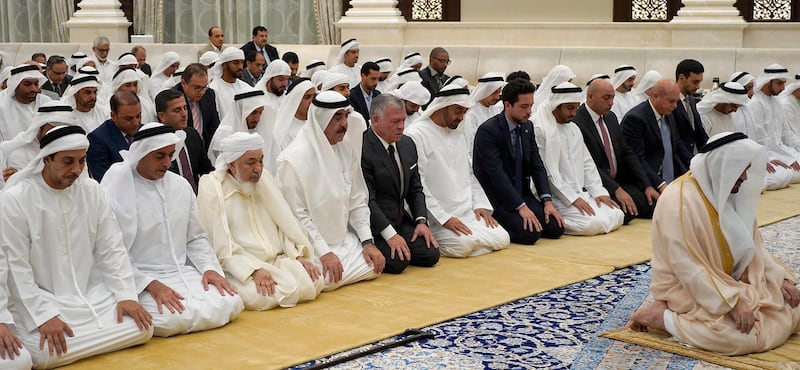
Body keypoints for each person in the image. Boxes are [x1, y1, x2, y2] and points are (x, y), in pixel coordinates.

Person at [630, 132, 800, 356]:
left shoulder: (731, 191)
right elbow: (687, 267)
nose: (746, 177)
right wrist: (731, 302)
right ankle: (662, 317)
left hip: (729, 281)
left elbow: (753, 248)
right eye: (742, 169)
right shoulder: (679, 201)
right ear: (724, 165)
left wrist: (781, 279)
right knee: (740, 338)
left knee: (795, 306)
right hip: (688, 288)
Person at [2, 126, 153, 368]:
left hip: (90, 294)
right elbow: (15, 266)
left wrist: (126, 295)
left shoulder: (92, 191)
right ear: (47, 159)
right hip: (44, 299)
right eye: (68, 161)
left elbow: (112, 248)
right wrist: (43, 316)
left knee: (142, 328)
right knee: (44, 353)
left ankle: (81, 338)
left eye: (82, 161)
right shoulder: (16, 199)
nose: (76, 169)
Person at [101, 122, 244, 337]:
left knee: (231, 301)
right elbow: (113, 252)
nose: (167, 162)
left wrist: (209, 268)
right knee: (169, 319)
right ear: (141, 154)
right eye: (159, 156)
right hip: (141, 277)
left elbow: (195, 237)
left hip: (182, 271)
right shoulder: (118, 190)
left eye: (170, 155)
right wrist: (150, 284)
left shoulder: (180, 185)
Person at [197, 132, 323, 310]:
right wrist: (253, 270)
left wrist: (297, 256)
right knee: (258, 296)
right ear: (232, 165)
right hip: (244, 268)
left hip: (278, 261)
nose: (258, 168)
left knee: (315, 279)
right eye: (251, 162)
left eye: (261, 161)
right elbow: (220, 247)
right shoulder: (213, 188)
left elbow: (284, 224)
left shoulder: (265, 180)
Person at [276, 91, 384, 291]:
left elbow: (358, 201)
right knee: (316, 280)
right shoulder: (293, 160)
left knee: (374, 267)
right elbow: (298, 216)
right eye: (337, 117)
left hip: (344, 243)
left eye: (346, 116)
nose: (344, 123)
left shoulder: (345, 149)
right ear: (320, 119)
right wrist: (324, 253)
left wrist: (368, 242)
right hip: (311, 247)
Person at [405, 85, 510, 257]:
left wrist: (480, 205)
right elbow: (418, 184)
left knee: (503, 238)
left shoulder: (458, 131)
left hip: (466, 212)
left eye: (464, 112)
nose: (461, 118)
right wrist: (444, 218)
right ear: (442, 107)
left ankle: (475, 240)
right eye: (458, 111)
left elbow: (469, 174)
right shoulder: (417, 134)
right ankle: (473, 241)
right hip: (437, 217)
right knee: (463, 246)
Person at [473, 78, 565, 244]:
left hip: (522, 193)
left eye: (531, 105)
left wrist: (547, 201)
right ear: (508, 105)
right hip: (499, 199)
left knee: (555, 227)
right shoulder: (488, 131)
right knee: (530, 235)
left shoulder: (527, 127)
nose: (529, 111)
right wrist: (520, 207)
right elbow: (496, 175)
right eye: (524, 106)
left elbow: (537, 166)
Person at [533, 82, 625, 235]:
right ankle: (557, 221)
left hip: (580, 192)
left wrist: (599, 192)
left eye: (576, 107)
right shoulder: (541, 130)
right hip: (557, 195)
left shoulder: (574, 128)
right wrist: (572, 199)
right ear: (556, 105)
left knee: (616, 214)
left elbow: (587, 164)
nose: (574, 113)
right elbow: (548, 173)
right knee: (592, 224)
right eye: (570, 108)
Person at [361, 94, 440, 273]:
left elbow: (416, 188)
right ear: (376, 120)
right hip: (375, 225)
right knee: (398, 262)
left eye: (403, 120)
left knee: (430, 254)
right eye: (395, 121)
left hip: (400, 218)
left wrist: (421, 221)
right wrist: (390, 234)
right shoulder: (362, 147)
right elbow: (367, 200)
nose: (402, 127)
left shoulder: (407, 143)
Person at [573, 78, 659, 222]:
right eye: (606, 98)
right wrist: (616, 190)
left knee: (654, 204)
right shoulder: (577, 122)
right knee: (626, 213)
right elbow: (589, 166)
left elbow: (627, 153)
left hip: (619, 180)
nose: (611, 102)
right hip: (597, 185)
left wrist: (647, 185)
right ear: (590, 97)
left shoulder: (610, 117)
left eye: (613, 97)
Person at [622, 79, 689, 193]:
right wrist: (660, 184)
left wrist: (692, 169)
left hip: (672, 179)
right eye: (671, 101)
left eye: (676, 101)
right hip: (647, 183)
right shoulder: (635, 119)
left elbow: (677, 147)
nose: (675, 106)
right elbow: (637, 160)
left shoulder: (668, 114)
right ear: (655, 96)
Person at [0, 101, 80, 183]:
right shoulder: (19, 153)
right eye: (54, 129)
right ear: (41, 126)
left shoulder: (74, 153)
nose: (59, 134)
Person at [155, 89, 213, 192]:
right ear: (162, 116)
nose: (184, 114)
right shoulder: (156, 144)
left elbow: (206, 170)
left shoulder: (191, 134)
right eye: (177, 110)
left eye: (185, 108)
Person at [209, 89, 276, 172]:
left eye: (260, 112)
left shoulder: (263, 131)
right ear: (241, 111)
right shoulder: (225, 134)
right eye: (253, 113)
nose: (257, 118)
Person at [87, 91, 141, 181]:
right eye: (128, 119)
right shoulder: (97, 140)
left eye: (138, 116)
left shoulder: (144, 130)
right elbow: (105, 180)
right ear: (113, 116)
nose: (136, 123)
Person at [176, 63, 221, 152]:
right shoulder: (174, 98)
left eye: (204, 87)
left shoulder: (209, 95)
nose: (201, 92)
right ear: (183, 83)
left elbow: (213, 126)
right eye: (197, 88)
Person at [671, 59, 708, 165]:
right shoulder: (670, 102)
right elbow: (675, 138)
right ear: (682, 78)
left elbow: (699, 131)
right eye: (695, 82)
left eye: (699, 82)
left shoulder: (691, 100)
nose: (698, 87)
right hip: (679, 164)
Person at [0, 64, 52, 142]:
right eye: (27, 84)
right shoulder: (2, 105)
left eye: (36, 84)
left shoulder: (46, 102)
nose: (33, 89)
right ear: (15, 85)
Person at [462, 72, 505, 159]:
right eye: (494, 93)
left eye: (499, 93)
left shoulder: (497, 110)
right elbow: (470, 145)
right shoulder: (471, 113)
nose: (497, 97)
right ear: (485, 91)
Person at [273, 77, 315, 150]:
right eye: (307, 97)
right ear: (296, 99)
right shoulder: (284, 128)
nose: (311, 101)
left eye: (313, 96)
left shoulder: (316, 122)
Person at [209, 48, 251, 120]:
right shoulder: (213, 89)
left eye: (242, 62)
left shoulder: (245, 87)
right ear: (224, 65)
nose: (240, 67)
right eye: (235, 63)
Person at [349, 61, 382, 126]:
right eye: (373, 79)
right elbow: (356, 122)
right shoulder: (352, 96)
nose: (376, 82)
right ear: (363, 76)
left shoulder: (378, 95)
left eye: (378, 79)